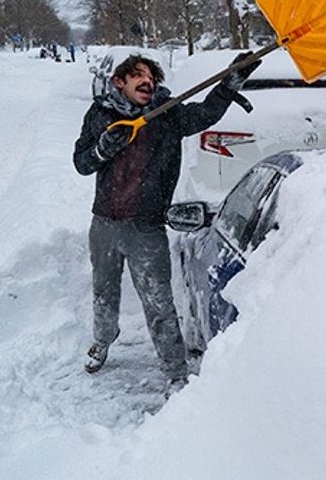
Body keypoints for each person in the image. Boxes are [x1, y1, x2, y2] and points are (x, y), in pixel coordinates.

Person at [73, 52, 260, 384]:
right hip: (104, 223)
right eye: (138, 76)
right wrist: (103, 148)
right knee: (104, 291)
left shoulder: (167, 115)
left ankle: (175, 372)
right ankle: (103, 341)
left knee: (159, 303)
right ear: (120, 81)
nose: (147, 82)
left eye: (152, 78)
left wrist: (231, 81)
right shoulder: (100, 113)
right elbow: (82, 162)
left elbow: (205, 113)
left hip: (146, 228)